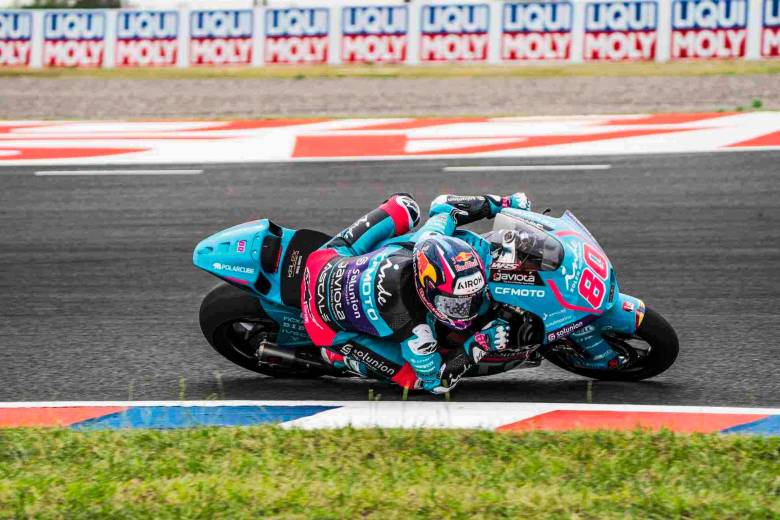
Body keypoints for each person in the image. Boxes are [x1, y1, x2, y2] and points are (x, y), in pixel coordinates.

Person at [300, 192, 531, 394]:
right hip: (324, 324)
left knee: (404, 206)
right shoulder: (416, 331)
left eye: (473, 298)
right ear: (427, 290)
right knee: (415, 379)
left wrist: (503, 203)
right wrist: (481, 342)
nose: (467, 311)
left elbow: (445, 206)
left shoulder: (428, 239)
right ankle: (340, 359)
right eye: (453, 305)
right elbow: (437, 383)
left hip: (327, 259)